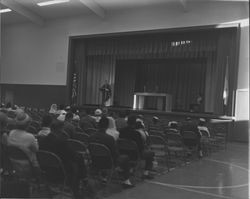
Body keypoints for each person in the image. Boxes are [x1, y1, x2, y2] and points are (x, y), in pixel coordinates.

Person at [38, 120, 87, 197]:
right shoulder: (61, 142)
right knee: (78, 161)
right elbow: (74, 155)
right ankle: (77, 190)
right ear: (59, 129)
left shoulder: (42, 140)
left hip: (46, 169)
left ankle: (83, 181)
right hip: (60, 171)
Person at [89, 116, 134, 188]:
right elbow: (114, 154)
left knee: (104, 156)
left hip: (94, 161)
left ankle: (104, 177)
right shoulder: (109, 138)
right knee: (125, 157)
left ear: (98, 125)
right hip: (108, 163)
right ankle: (126, 181)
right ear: (107, 126)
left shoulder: (91, 137)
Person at [119, 115, 155, 179]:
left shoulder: (121, 131)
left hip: (123, 153)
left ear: (127, 122)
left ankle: (131, 169)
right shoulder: (136, 133)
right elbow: (140, 147)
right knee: (151, 153)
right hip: (135, 155)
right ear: (134, 123)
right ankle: (146, 173)